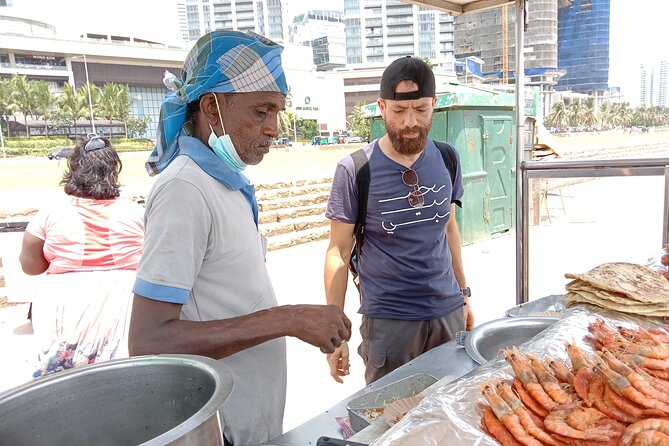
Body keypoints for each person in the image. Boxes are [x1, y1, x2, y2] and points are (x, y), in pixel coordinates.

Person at [127, 30, 351, 446]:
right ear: (212, 107)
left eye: (277, 112)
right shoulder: (184, 189)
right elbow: (148, 341)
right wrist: (287, 318)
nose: (273, 129)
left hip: (248, 420)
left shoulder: (222, 183)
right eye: (261, 111)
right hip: (219, 428)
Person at [324, 56, 474, 385]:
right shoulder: (355, 170)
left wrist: (463, 295)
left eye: (421, 110)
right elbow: (337, 251)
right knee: (390, 417)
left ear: (434, 105)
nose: (410, 122)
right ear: (381, 107)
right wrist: (335, 333)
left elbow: (449, 228)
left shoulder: (448, 157)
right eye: (399, 111)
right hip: (390, 322)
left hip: (446, 311)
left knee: (449, 406)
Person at [19, 134, 144, 377]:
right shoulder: (136, 214)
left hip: (64, 309)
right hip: (125, 306)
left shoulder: (51, 215)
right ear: (114, 172)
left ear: (74, 169)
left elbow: (31, 267)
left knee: (64, 380)